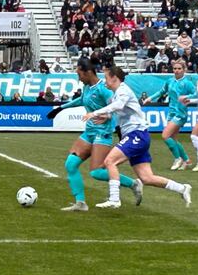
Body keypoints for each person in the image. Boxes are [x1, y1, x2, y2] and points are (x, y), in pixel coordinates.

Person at [82, 66, 192, 208]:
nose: (104, 81)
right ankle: (182, 188)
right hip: (138, 135)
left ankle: (115, 199)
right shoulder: (117, 93)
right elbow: (120, 110)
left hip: (137, 134)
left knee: (109, 161)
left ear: (114, 78)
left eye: (106, 77)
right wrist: (107, 116)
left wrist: (94, 113)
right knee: (146, 178)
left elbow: (119, 105)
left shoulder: (123, 90)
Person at [46, 58, 142, 212]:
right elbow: (82, 100)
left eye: (79, 74)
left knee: (96, 172)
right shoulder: (87, 87)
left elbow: (117, 107)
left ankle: (133, 183)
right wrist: (61, 108)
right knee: (70, 164)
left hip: (102, 133)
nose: (78, 78)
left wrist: (110, 118)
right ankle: (80, 203)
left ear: (88, 72)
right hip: (89, 132)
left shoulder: (103, 89)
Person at [142, 60, 196, 170]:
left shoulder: (187, 83)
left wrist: (187, 98)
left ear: (184, 69)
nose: (176, 71)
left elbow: (195, 93)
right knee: (174, 139)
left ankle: (177, 158)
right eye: (175, 68)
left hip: (181, 113)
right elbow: (161, 92)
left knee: (165, 135)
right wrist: (150, 98)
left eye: (179, 69)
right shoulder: (170, 81)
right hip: (171, 112)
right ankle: (187, 160)